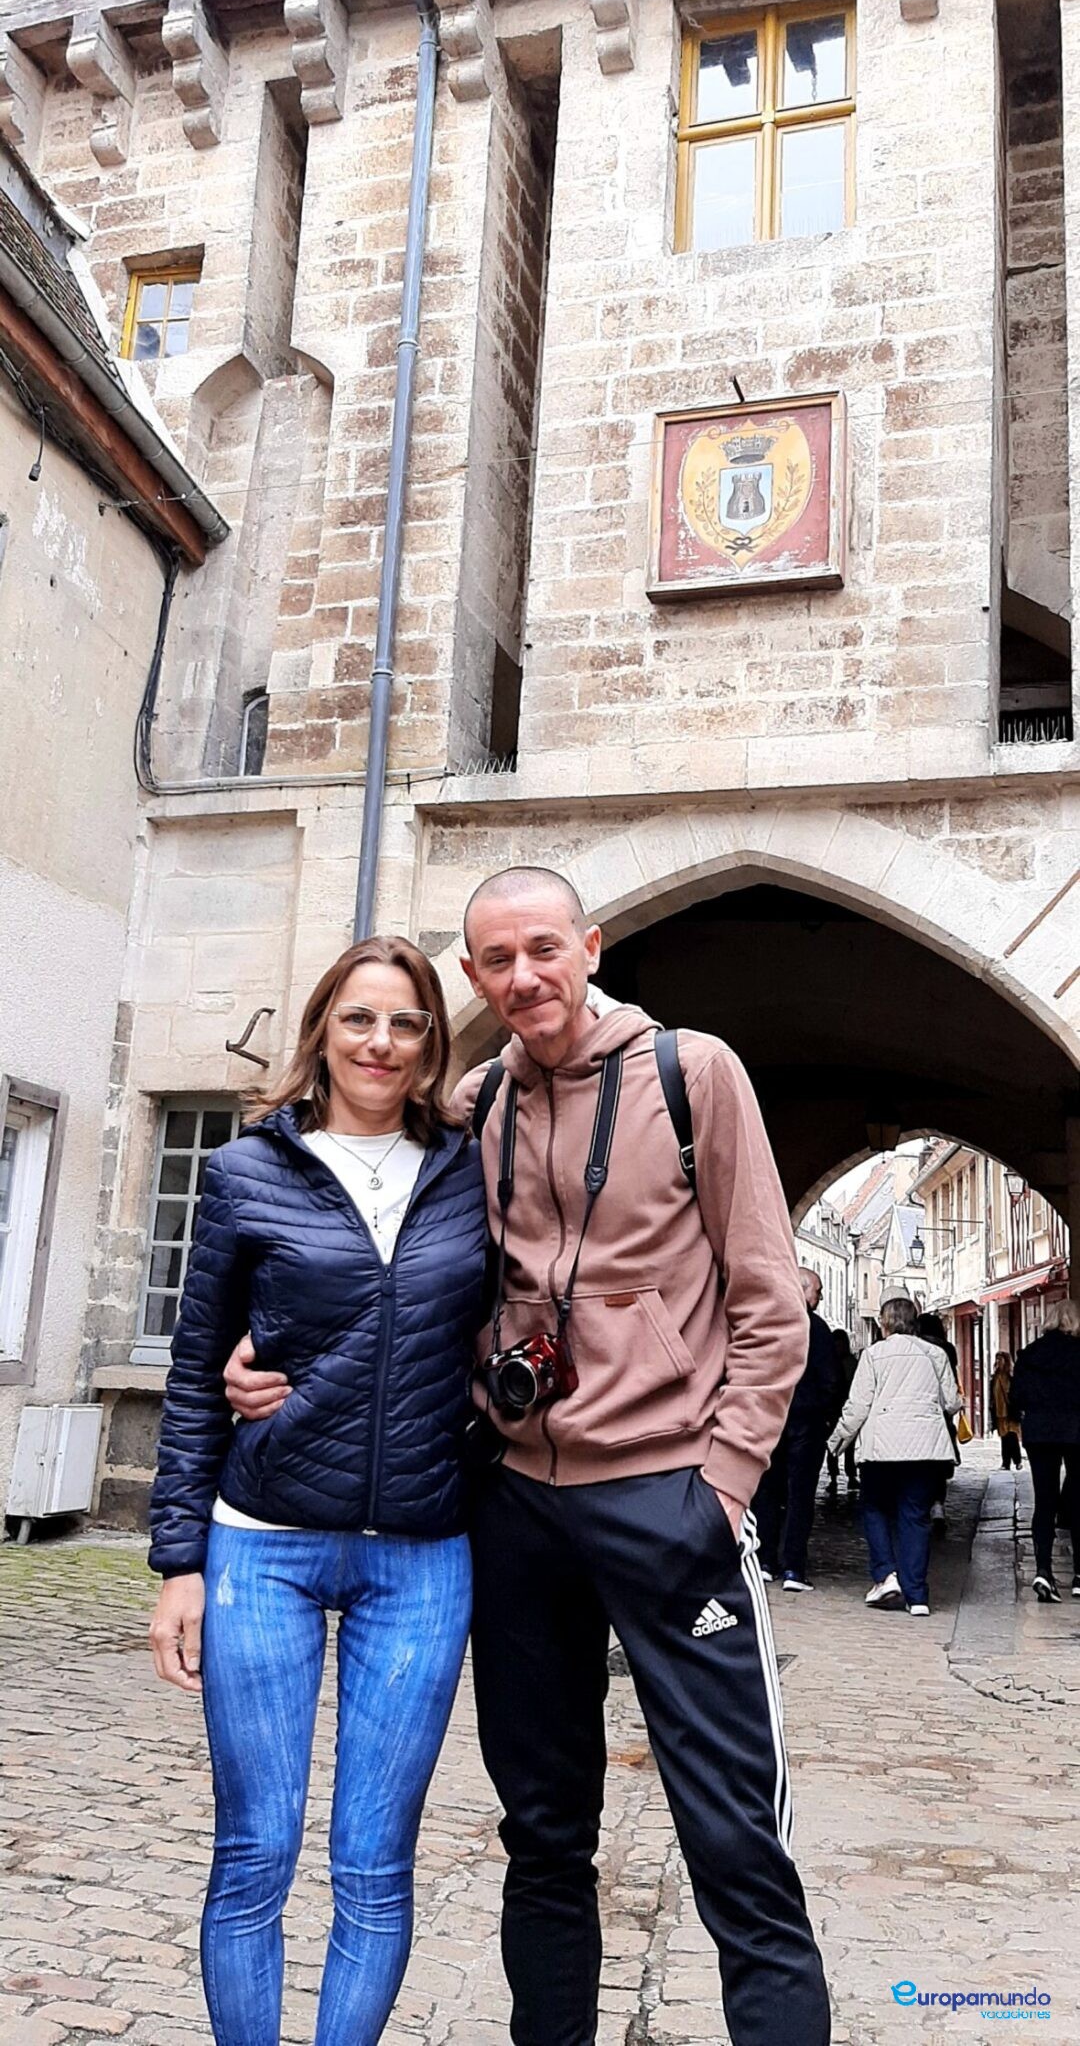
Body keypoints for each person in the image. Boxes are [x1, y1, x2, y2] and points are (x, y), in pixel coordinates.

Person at [228, 867, 832, 2046]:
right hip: (516, 1508)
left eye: (544, 949)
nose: (525, 977)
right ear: (473, 975)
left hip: (669, 1496)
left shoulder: (693, 1073)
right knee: (544, 1833)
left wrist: (725, 1485)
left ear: (591, 946)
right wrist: (259, 1359)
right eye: (497, 960)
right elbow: (377, 1259)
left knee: (732, 1838)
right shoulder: (474, 1107)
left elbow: (771, 1302)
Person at [147, 937, 489, 2046]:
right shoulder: (250, 1170)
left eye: (405, 1023)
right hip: (263, 1544)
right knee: (255, 1847)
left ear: (433, 1041)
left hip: (423, 1556)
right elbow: (201, 1372)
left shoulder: (473, 1167)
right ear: (322, 1033)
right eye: (359, 1020)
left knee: (376, 1862)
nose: (382, 1043)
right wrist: (178, 1561)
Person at [827, 1293, 960, 1616]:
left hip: (882, 1449)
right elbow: (952, 1402)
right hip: (926, 1449)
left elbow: (858, 1406)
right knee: (915, 1516)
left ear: (884, 1324)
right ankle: (918, 1596)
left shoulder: (873, 1355)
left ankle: (886, 1576)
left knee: (874, 1509)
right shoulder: (935, 1354)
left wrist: (836, 1443)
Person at [753, 1269, 841, 1590]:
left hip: (770, 1416)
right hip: (806, 1418)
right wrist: (827, 1415)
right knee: (800, 1495)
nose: (820, 1297)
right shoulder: (816, 1328)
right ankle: (793, 1569)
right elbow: (831, 1379)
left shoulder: (767, 1322)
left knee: (767, 1491)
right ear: (803, 1289)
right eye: (818, 1290)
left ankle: (764, 1561)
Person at [1009, 1299, 1080, 1603]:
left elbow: (1015, 1399)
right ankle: (1079, 1575)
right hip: (1077, 1430)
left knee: (1044, 1501)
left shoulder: (1030, 1354)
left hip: (1040, 1432)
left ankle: (1043, 1570)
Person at [914, 1310, 960, 1527]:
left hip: (919, 1407)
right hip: (941, 1411)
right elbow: (953, 1381)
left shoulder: (914, 1347)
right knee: (939, 1459)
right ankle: (938, 1504)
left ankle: (919, 1502)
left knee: (918, 1459)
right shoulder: (947, 1349)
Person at [825, 1328, 859, 1498]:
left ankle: (851, 1475)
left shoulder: (850, 1363)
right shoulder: (837, 1362)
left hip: (846, 1407)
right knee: (832, 1445)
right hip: (833, 1409)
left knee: (848, 1445)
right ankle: (834, 1477)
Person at [989, 1349, 1023, 1471]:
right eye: (996, 1359)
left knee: (1012, 1436)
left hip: (1011, 1411)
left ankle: (1017, 1461)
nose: (998, 1362)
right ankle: (1006, 1463)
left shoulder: (1011, 1377)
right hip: (999, 1412)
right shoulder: (994, 1378)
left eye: (1000, 1359)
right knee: (1004, 1437)